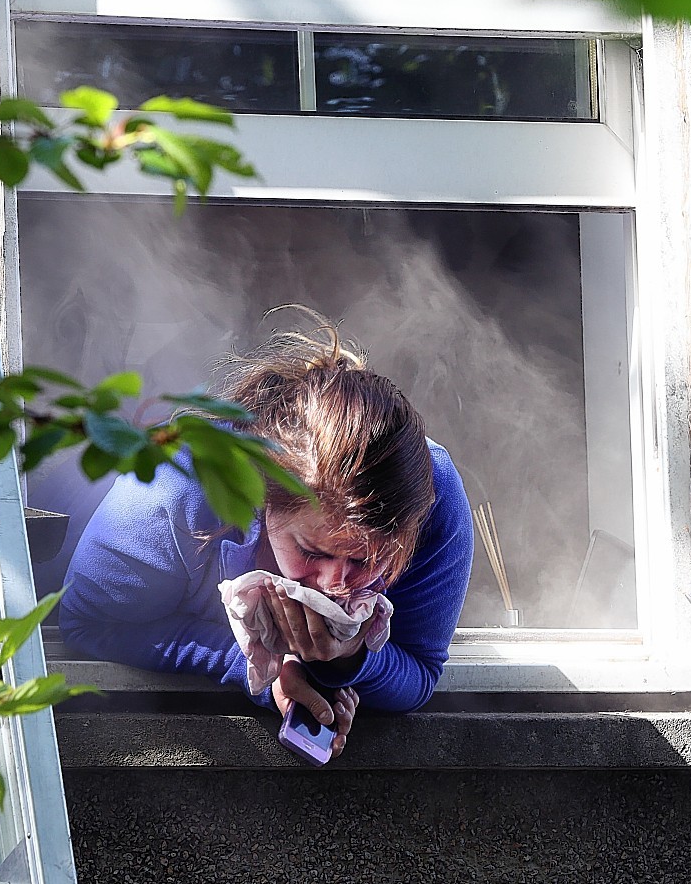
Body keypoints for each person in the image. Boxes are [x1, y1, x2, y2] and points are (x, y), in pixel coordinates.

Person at [57, 314, 473, 759]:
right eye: (312, 550)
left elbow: (421, 670)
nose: (335, 584)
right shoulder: (176, 488)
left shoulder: (435, 501)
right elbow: (88, 622)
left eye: (364, 561)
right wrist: (261, 668)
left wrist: (348, 660)